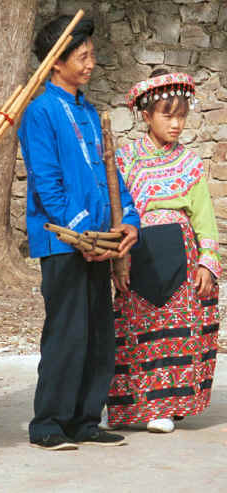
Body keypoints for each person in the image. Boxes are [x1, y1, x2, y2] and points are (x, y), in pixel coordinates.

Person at [17, 15, 140, 451]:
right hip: (63, 242)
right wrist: (84, 236)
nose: (91, 63)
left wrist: (128, 220)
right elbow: (48, 185)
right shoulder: (40, 111)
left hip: (100, 243)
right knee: (67, 333)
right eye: (83, 56)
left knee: (97, 333)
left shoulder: (88, 111)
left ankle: (87, 419)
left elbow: (114, 177)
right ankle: (49, 423)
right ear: (57, 62)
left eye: (91, 55)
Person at [103, 69, 220, 433]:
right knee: (136, 326)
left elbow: (204, 217)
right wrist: (118, 262)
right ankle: (133, 405)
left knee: (177, 328)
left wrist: (207, 262)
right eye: (167, 114)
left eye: (181, 115)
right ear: (146, 114)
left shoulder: (189, 163)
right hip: (137, 250)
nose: (176, 123)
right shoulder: (124, 160)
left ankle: (167, 406)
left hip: (182, 258)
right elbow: (117, 210)